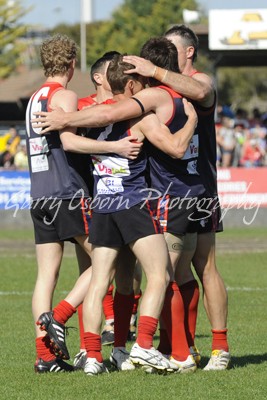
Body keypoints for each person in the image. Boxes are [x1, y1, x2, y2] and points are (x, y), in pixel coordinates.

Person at [26, 34, 142, 373]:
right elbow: (70, 142)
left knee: (45, 274)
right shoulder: (65, 94)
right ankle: (59, 317)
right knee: (104, 258)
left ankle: (45, 356)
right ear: (73, 64)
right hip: (67, 191)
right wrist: (115, 148)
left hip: (39, 192)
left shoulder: (35, 97)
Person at [81, 54, 198, 376]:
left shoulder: (91, 115)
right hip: (131, 205)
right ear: (131, 85)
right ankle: (144, 345)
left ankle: (93, 357)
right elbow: (176, 148)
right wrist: (191, 121)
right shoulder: (140, 117)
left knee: (101, 283)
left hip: (102, 205)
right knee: (159, 274)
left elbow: (68, 139)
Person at [123, 24, 230, 370]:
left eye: (172, 50)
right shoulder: (164, 92)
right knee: (178, 272)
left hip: (195, 192)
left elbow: (200, 91)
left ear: (188, 52)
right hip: (178, 193)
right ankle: (181, 347)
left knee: (193, 268)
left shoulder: (201, 82)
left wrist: (154, 70)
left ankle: (211, 349)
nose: (165, 58)